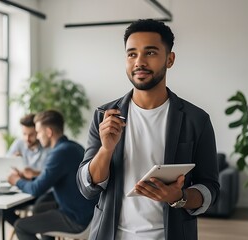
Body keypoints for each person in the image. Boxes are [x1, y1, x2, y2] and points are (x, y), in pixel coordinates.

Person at [76, 19, 220, 240]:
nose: (139, 62)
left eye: (150, 53)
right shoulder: (105, 116)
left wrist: (179, 196)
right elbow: (87, 187)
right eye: (131, 54)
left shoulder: (196, 120)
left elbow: (210, 189)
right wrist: (106, 150)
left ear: (169, 59)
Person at [7, 110, 98, 240]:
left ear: (49, 132)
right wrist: (30, 178)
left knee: (20, 226)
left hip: (75, 218)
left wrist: (16, 180)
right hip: (87, 213)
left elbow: (37, 189)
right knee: (39, 209)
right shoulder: (73, 147)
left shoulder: (59, 153)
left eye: (38, 132)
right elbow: (51, 179)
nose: (37, 137)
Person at [6, 113, 49, 179]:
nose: (27, 138)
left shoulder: (47, 147)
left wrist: (34, 174)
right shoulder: (19, 143)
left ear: (38, 132)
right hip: (21, 184)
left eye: (31, 135)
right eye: (24, 134)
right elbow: (6, 163)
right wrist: (13, 160)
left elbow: (50, 175)